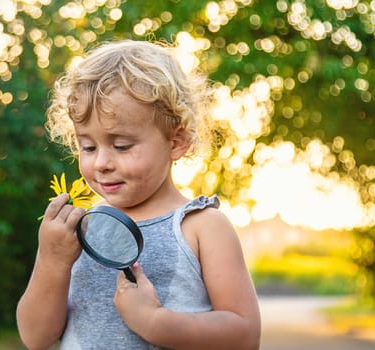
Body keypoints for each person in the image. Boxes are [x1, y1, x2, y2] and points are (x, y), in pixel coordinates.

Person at [16, 40, 261, 349]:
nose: (102, 163)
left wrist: (155, 322)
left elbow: (244, 334)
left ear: (176, 142)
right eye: (88, 146)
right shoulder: (79, 229)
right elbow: (35, 338)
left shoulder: (202, 226)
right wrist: (52, 261)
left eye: (122, 146)